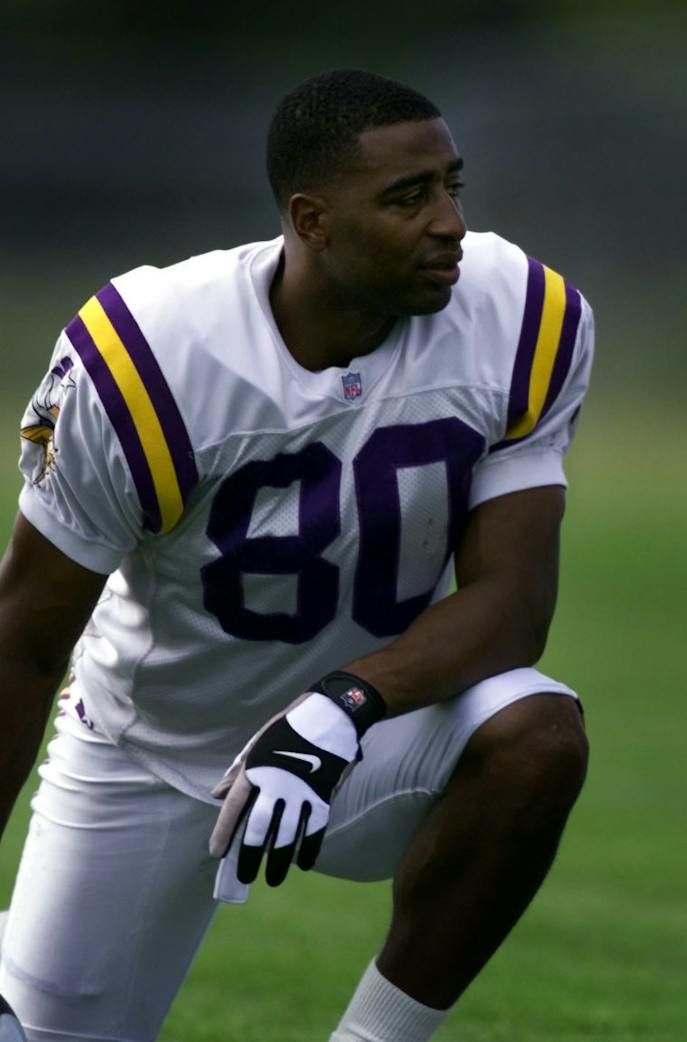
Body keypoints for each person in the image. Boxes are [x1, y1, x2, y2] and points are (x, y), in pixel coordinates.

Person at [0, 69, 593, 1041]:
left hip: (361, 736)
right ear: (310, 221)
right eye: (407, 198)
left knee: (534, 731)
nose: (448, 222)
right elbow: (23, 639)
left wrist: (340, 706)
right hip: (150, 743)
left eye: (453, 185)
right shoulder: (151, 357)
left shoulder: (518, 314)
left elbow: (512, 604)